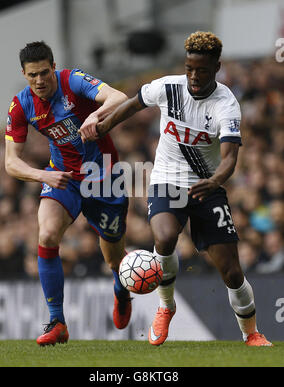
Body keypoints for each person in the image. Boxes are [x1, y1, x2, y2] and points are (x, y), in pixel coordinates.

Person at [80, 31, 272, 347]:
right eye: (189, 68)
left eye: (202, 70)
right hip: (166, 180)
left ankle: (251, 333)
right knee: (165, 237)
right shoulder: (168, 87)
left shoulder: (226, 105)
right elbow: (133, 104)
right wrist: (103, 126)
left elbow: (230, 158)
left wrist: (215, 181)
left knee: (232, 273)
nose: (194, 77)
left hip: (207, 187)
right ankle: (166, 306)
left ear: (217, 67)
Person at [5, 41, 132, 346]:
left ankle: (120, 286)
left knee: (114, 258)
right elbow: (11, 162)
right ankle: (57, 321)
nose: (40, 80)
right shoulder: (20, 105)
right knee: (47, 235)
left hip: (105, 177)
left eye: (44, 72)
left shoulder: (72, 80)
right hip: (62, 177)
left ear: (54, 67)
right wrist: (42, 175)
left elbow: (120, 97)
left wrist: (96, 115)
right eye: (33, 74)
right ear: (24, 74)